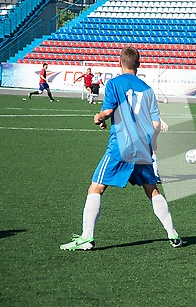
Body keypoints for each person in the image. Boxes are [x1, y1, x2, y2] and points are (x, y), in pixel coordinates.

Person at [60, 47, 182, 251]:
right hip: (142, 146)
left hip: (121, 145)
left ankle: (87, 238)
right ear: (139, 64)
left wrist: (99, 118)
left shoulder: (114, 83)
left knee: (96, 187)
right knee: (152, 190)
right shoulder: (148, 89)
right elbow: (156, 124)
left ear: (120, 63)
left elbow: (107, 111)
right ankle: (173, 234)